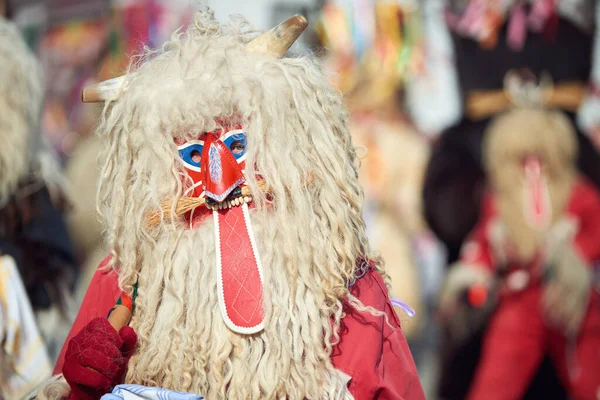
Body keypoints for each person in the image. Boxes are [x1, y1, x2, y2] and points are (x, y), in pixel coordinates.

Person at [38, 9, 425, 400]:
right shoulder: (123, 282)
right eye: (193, 154)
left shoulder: (342, 280)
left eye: (237, 147)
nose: (220, 187)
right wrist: (78, 391)